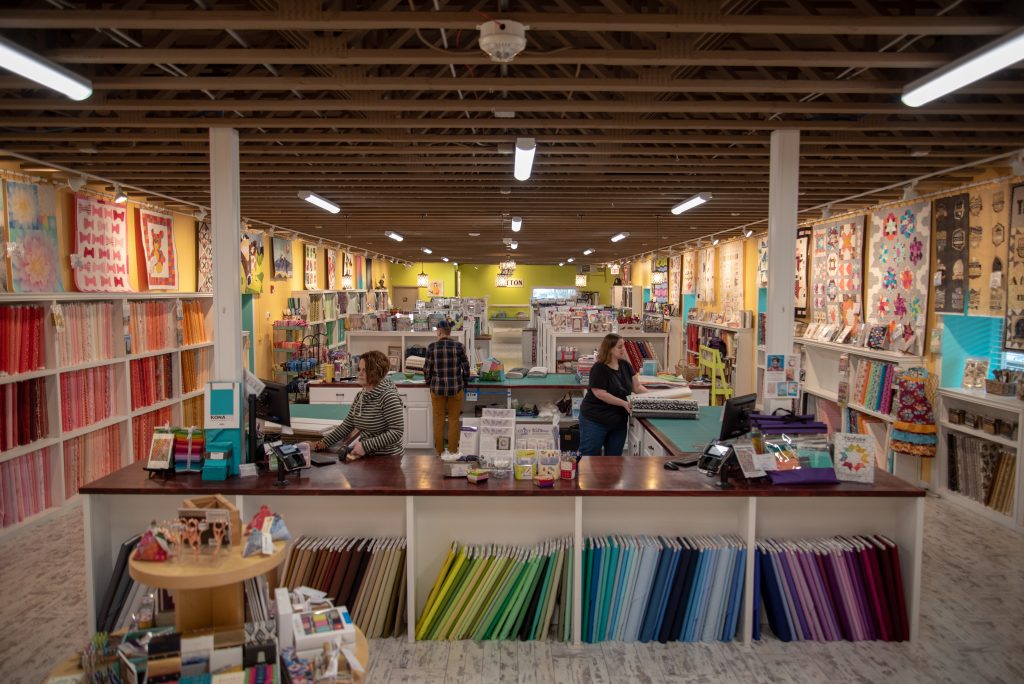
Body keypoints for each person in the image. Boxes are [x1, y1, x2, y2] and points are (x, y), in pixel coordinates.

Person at [312, 350, 404, 460]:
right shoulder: (361, 396)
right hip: (367, 456)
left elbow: (396, 432)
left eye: (365, 370)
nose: (360, 373)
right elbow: (346, 426)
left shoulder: (388, 396)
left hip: (388, 459)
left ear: (376, 372)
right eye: (359, 369)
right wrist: (321, 444)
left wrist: (366, 446)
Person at [578, 334, 647, 456]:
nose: (623, 349)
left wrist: (655, 396)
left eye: (623, 346)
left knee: (614, 459)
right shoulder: (599, 368)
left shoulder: (625, 366)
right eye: (619, 347)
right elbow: (601, 394)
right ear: (609, 348)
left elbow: (636, 387)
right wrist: (623, 403)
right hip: (595, 420)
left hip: (618, 421)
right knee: (589, 456)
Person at [423, 319, 470, 455]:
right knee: (454, 421)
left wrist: (429, 383)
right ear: (450, 332)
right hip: (455, 389)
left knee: (438, 421)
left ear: (438, 331)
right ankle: (453, 452)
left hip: (437, 390)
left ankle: (439, 452)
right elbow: (466, 368)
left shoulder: (432, 347)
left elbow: (427, 370)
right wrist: (464, 382)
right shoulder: (459, 346)